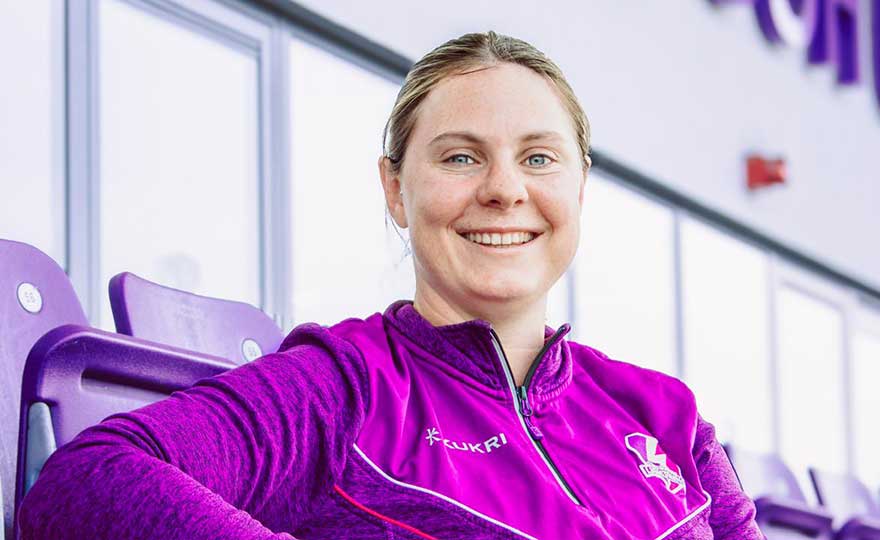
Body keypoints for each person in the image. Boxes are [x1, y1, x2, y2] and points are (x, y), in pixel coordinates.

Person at [18, 31, 763, 539]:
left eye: (539, 158)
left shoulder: (669, 418)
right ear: (397, 190)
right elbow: (83, 481)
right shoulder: (340, 390)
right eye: (461, 158)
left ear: (579, 186)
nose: (505, 190)